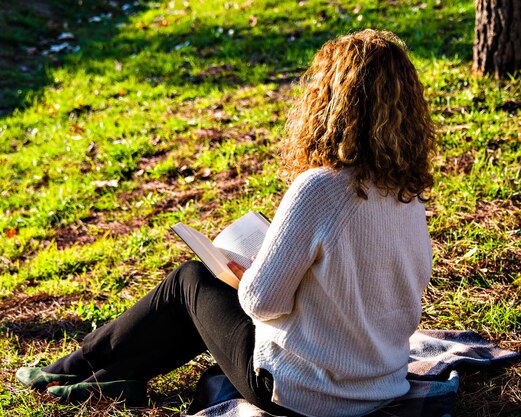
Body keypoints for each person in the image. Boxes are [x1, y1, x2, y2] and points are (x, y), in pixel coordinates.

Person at [16, 29, 436, 417]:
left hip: (306, 393)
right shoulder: (406, 193)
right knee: (200, 301)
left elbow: (261, 303)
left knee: (191, 281)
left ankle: (77, 364)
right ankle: (112, 378)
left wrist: (251, 273)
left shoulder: (320, 188)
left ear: (329, 102)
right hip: (381, 383)